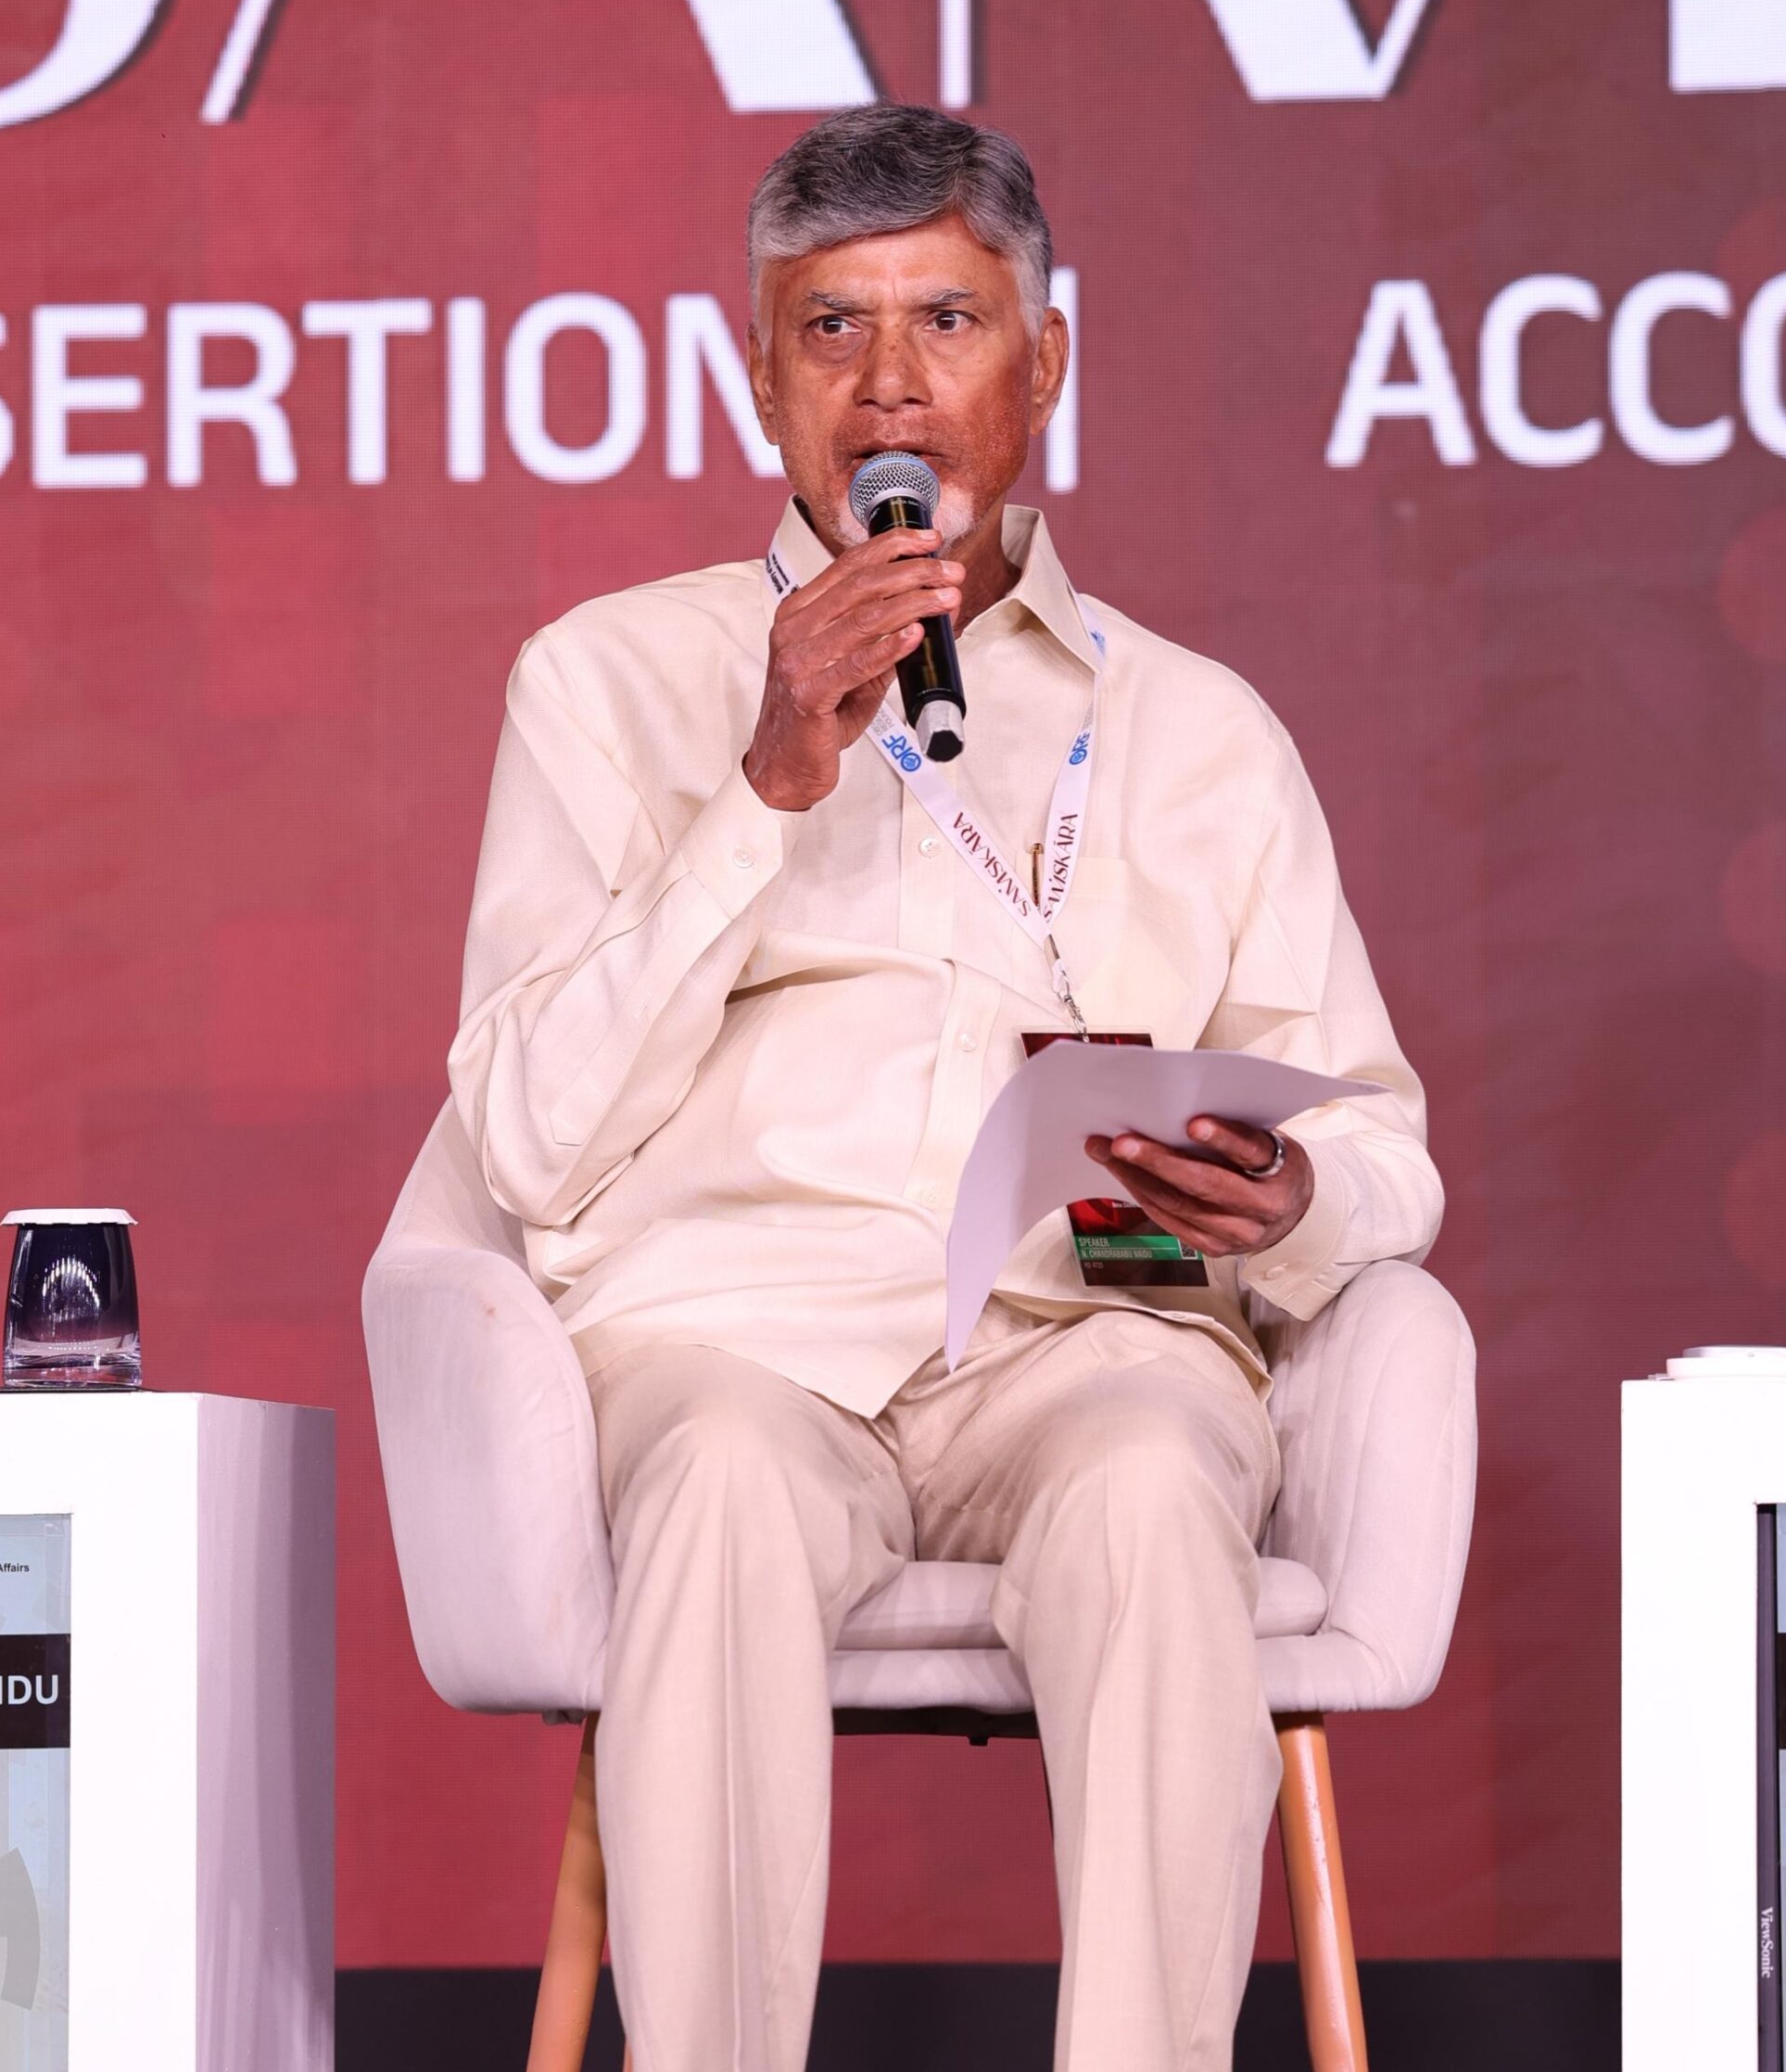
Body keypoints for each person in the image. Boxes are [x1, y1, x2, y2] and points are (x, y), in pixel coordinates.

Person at [450, 103, 1440, 2072]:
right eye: (830, 329)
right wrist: (762, 790)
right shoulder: (602, 683)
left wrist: (1293, 1200)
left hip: (1082, 1339)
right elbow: (526, 1137)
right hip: (737, 1347)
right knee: (719, 1485)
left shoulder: (1200, 731)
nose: (888, 383)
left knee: (1156, 1481)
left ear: (1042, 363)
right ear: (760, 383)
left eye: (947, 322)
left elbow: (1380, 1149)